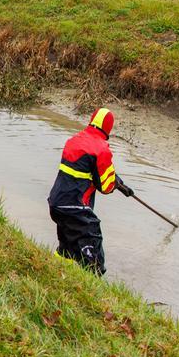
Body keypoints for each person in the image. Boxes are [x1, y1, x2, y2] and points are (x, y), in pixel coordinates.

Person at [47, 108, 133, 275]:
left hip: (56, 203)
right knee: (93, 246)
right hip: (75, 208)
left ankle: (55, 272)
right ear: (108, 127)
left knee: (66, 249)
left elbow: (88, 169)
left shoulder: (74, 140)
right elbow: (105, 186)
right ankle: (94, 282)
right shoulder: (101, 149)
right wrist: (116, 183)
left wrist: (120, 183)